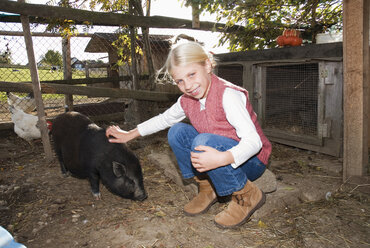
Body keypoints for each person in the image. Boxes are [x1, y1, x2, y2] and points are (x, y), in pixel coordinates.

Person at [106, 41, 272, 229]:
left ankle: (246, 194)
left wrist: (222, 158)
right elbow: (164, 119)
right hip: (217, 154)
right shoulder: (187, 100)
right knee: (177, 131)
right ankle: (207, 188)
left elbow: (254, 142)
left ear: (208, 65)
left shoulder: (228, 95)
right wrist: (130, 134)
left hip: (251, 161)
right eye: (180, 81)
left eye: (192, 74)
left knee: (202, 141)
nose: (188, 85)